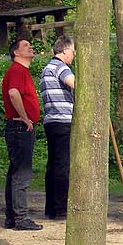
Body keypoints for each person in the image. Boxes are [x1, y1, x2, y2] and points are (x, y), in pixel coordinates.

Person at [2, 39, 43, 231]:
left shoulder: (21, 71)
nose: (30, 47)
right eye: (26, 45)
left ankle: (12, 217)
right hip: (20, 128)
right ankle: (21, 217)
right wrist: (24, 117)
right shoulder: (18, 70)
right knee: (22, 172)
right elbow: (13, 93)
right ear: (16, 53)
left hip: (17, 127)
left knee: (15, 171)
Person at [40, 36, 75, 220]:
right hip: (63, 120)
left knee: (53, 164)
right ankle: (62, 208)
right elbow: (75, 84)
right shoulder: (61, 67)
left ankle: (51, 207)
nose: (73, 55)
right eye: (72, 52)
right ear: (64, 51)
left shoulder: (46, 69)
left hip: (50, 120)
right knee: (62, 164)